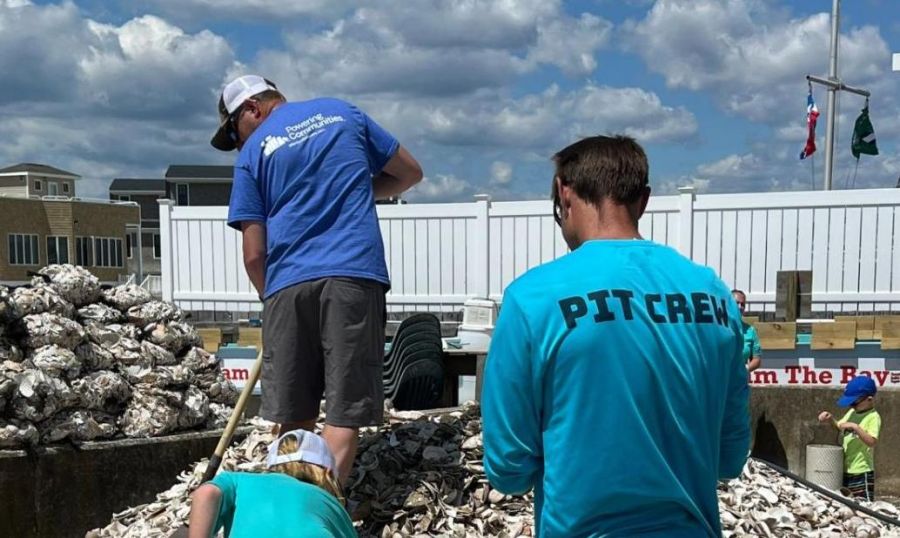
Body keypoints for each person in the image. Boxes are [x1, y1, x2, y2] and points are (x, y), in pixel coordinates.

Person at [481, 135, 750, 537]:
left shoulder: (531, 298)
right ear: (643, 200)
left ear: (563, 193)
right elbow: (730, 458)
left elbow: (508, 469)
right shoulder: (713, 294)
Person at [212, 75, 423, 484]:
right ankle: (322, 513)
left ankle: (294, 513)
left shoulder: (252, 154)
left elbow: (255, 253)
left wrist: (270, 300)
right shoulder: (343, 113)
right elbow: (409, 173)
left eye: (234, 131)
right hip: (351, 276)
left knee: (293, 416)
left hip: (287, 285)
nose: (238, 142)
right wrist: (355, 189)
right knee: (345, 409)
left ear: (253, 108)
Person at [188, 429, 356, 537]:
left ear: (270, 466)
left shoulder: (241, 481)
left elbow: (206, 493)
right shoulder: (331, 505)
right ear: (328, 472)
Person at [817, 375, 882, 501]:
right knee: (846, 502)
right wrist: (830, 419)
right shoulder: (852, 412)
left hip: (861, 471)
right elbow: (840, 427)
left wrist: (856, 427)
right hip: (846, 468)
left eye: (855, 402)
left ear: (869, 399)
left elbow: (872, 442)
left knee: (863, 504)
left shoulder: (873, 417)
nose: (852, 405)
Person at [732, 289, 761, 372]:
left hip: (740, 381)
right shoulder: (719, 328)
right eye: (736, 303)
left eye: (743, 304)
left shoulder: (750, 331)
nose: (740, 307)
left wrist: (745, 369)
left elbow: (757, 359)